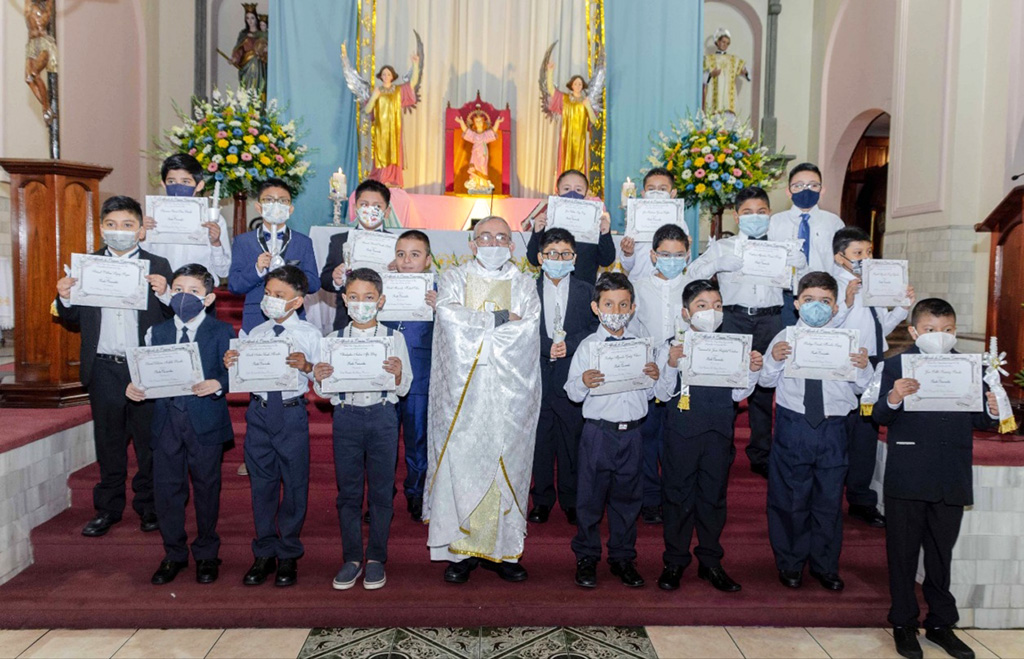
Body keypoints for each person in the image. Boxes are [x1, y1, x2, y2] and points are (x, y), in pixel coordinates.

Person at [874, 299, 997, 659]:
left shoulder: (970, 366)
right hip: (908, 474)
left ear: (955, 331)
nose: (938, 337)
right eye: (930, 330)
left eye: (946, 330)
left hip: (951, 473)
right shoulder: (894, 365)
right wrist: (895, 396)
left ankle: (942, 624)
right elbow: (878, 414)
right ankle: (904, 623)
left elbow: (983, 420)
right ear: (914, 331)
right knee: (903, 555)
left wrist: (990, 408)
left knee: (941, 556)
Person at [424, 216, 541, 584]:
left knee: (504, 461)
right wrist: (501, 317)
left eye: (502, 237)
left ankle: (504, 552)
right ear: (473, 244)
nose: (493, 243)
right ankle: (460, 552)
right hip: (464, 390)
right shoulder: (455, 278)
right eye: (485, 237)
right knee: (462, 462)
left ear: (512, 245)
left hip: (508, 390)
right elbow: (449, 317)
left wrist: (482, 323)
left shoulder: (524, 283)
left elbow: (528, 329)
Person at [54, 195, 173, 537]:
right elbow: (74, 319)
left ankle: (149, 507)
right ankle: (108, 509)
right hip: (104, 367)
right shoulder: (86, 265)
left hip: (145, 366)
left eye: (127, 225)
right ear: (102, 229)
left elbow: (173, 317)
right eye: (111, 225)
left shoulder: (158, 264)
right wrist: (65, 296)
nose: (119, 231)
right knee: (108, 442)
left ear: (140, 230)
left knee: (149, 442)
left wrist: (165, 293)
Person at [758, 271, 871, 592]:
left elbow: (866, 387)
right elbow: (765, 383)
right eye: (809, 301)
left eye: (825, 301)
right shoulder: (784, 337)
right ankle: (790, 563)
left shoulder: (849, 340)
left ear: (836, 307)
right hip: (794, 425)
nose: (817, 307)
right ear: (796, 304)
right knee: (789, 497)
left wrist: (863, 366)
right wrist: (774, 361)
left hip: (834, 427)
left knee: (829, 499)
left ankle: (825, 565)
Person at [126, 264, 233, 586]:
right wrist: (134, 387)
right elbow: (143, 373)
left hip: (206, 422)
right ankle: (173, 553)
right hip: (166, 423)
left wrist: (218, 382)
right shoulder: (155, 332)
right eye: (178, 290)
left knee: (206, 489)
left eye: (193, 292)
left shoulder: (222, 332)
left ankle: (206, 554)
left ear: (209, 298)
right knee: (167, 491)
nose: (184, 297)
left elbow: (235, 374)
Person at [685, 186, 801, 478]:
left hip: (770, 320)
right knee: (728, 386)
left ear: (769, 214)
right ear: (736, 216)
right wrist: (718, 263)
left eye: (761, 212)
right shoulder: (724, 247)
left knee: (764, 390)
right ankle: (721, 447)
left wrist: (795, 268)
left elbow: (803, 287)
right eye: (747, 213)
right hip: (733, 319)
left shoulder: (782, 248)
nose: (755, 217)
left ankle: (761, 453)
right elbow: (690, 277)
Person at [655, 279, 761, 593]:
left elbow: (739, 393)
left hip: (718, 431)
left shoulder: (732, 345)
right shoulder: (671, 345)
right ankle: (674, 560)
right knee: (677, 496)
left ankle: (711, 562)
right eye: (702, 306)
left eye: (716, 306)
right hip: (682, 432)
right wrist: (672, 365)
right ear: (686, 313)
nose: (710, 312)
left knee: (713, 498)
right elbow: (660, 392)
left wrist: (752, 368)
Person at [313, 268, 412, 591]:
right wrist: (321, 376)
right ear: (344, 300)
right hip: (346, 418)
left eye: (368, 298)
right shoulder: (332, 341)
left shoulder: (394, 339)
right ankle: (352, 557)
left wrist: (397, 373)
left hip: (383, 416)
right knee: (349, 492)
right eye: (354, 298)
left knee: (382, 491)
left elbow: (404, 388)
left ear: (380, 301)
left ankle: (376, 558)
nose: (361, 304)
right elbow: (323, 393)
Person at [223, 265, 320, 587]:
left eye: (279, 295)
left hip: (291, 414)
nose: (271, 300)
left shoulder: (310, 335)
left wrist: (307, 366)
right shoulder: (256, 334)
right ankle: (264, 550)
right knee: (262, 485)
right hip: (259, 414)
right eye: (268, 294)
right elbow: (242, 378)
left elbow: (323, 381)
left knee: (294, 485)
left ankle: (289, 552)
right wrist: (233, 365)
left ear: (297, 301)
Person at [565, 273, 659, 588]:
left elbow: (647, 395)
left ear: (632, 308)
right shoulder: (587, 346)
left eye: (622, 304)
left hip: (632, 434)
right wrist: (583, 382)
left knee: (628, 499)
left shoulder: (641, 344)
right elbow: (572, 393)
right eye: (608, 304)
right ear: (595, 307)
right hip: (597, 434)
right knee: (590, 499)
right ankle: (587, 556)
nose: (615, 311)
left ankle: (622, 557)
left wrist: (652, 376)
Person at [832, 226, 915, 529]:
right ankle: (830, 495)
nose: (865, 259)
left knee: (866, 430)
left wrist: (902, 306)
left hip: (874, 361)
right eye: (858, 253)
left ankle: (860, 499)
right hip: (843, 361)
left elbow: (884, 324)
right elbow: (825, 326)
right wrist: (848, 302)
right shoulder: (833, 286)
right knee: (839, 428)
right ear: (839, 257)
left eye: (868, 252)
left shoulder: (877, 283)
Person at [528, 228, 598, 525]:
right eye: (553, 254)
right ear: (541, 258)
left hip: (572, 377)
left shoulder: (586, 290)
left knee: (572, 443)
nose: (559, 259)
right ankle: (542, 499)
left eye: (565, 254)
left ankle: (570, 499)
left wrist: (568, 346)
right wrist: (547, 347)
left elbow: (595, 328)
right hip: (537, 377)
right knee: (540, 443)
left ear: (574, 258)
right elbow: (518, 330)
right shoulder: (527, 289)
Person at [629, 223, 693, 525]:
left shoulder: (695, 284)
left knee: (678, 439)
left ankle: (675, 496)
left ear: (687, 254)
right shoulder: (638, 285)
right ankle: (650, 497)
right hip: (651, 369)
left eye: (678, 254)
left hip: (685, 370)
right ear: (654, 255)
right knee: (648, 435)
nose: (672, 259)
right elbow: (630, 330)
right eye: (665, 254)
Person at [382, 230, 436, 521]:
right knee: (384, 442)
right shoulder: (381, 287)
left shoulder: (436, 291)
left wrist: (440, 308)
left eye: (415, 255)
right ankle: (382, 495)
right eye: (401, 254)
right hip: (384, 376)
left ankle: (416, 493)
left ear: (427, 260)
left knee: (417, 441)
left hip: (419, 378)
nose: (407, 260)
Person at [228, 178, 319, 333]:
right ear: (258, 207)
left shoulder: (303, 242)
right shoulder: (243, 241)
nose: (276, 205)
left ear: (290, 208)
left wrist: (291, 274)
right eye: (269, 200)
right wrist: (257, 270)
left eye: (283, 201)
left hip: (293, 317)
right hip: (256, 317)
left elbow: (314, 284)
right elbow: (234, 285)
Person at [767, 162, 841, 327]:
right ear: (788, 191)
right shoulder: (775, 222)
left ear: (822, 190)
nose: (806, 190)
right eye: (798, 185)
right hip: (785, 297)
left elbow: (840, 263)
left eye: (813, 185)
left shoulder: (833, 223)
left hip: (822, 298)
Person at [340, 43, 421, 187]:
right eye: (383, 74)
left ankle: (393, 179)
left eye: (388, 74)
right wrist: (374, 96)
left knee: (394, 153)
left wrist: (415, 65)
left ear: (392, 76)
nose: (386, 76)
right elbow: (367, 110)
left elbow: (412, 83)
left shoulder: (398, 90)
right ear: (380, 76)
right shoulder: (377, 91)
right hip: (380, 129)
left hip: (395, 129)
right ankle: (382, 178)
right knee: (381, 153)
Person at [140, 153, 231, 279]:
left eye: (186, 182)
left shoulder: (214, 220)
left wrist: (216, 243)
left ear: (199, 185)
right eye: (171, 181)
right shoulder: (152, 218)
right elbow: (143, 262)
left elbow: (224, 271)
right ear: (163, 184)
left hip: (198, 290)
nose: (178, 186)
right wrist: (142, 236)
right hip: (162, 287)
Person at [320, 179, 395, 332]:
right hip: (347, 320)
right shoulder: (339, 240)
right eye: (364, 204)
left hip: (386, 320)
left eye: (377, 206)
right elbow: (325, 280)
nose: (370, 210)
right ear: (355, 208)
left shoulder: (397, 245)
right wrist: (336, 279)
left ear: (387, 211)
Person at [526, 170, 615, 284]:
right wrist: (537, 232)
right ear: (557, 192)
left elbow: (606, 260)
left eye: (578, 190)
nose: (572, 193)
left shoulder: (594, 224)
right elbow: (533, 259)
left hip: (584, 291)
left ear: (586, 194)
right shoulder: (548, 222)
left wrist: (605, 233)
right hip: (550, 289)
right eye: (566, 189)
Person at [618, 167, 689, 284]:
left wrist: (687, 247)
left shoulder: (680, 223)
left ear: (673, 193)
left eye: (662, 189)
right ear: (643, 194)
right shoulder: (635, 223)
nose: (657, 193)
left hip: (670, 284)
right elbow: (627, 266)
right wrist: (628, 252)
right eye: (651, 189)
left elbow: (685, 262)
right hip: (639, 283)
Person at [703, 27, 750, 127]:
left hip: (729, 102)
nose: (725, 45)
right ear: (717, 42)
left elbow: (747, 70)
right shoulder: (709, 59)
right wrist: (711, 75)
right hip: (714, 100)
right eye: (723, 42)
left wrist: (745, 72)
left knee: (729, 128)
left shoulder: (733, 59)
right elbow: (701, 78)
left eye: (727, 43)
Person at [456, 110, 503, 192]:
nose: (478, 123)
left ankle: (485, 186)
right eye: (476, 121)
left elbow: (493, 131)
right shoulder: (474, 135)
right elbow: (466, 131)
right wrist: (461, 122)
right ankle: (477, 187)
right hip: (475, 156)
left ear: (484, 122)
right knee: (475, 171)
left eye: (480, 121)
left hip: (483, 156)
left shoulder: (485, 135)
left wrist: (498, 122)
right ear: (474, 124)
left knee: (483, 169)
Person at [230, 3, 266, 95]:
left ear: (256, 19)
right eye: (248, 18)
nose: (250, 21)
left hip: (259, 65)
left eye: (252, 18)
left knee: (258, 89)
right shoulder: (243, 34)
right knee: (247, 89)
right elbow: (239, 49)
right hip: (246, 65)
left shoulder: (262, 34)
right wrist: (235, 58)